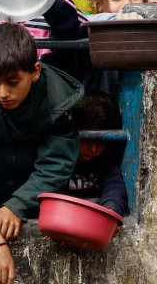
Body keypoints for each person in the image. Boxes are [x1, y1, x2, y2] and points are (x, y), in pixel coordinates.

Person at [0, 22, 83, 284]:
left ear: (35, 71)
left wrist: (18, 205)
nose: (3, 93)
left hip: (35, 202)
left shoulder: (57, 96)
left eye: (13, 82)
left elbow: (57, 164)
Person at [59, 91, 127, 236]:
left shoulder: (103, 161)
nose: (93, 148)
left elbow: (114, 185)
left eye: (100, 141)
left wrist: (111, 211)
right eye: (87, 138)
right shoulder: (56, 158)